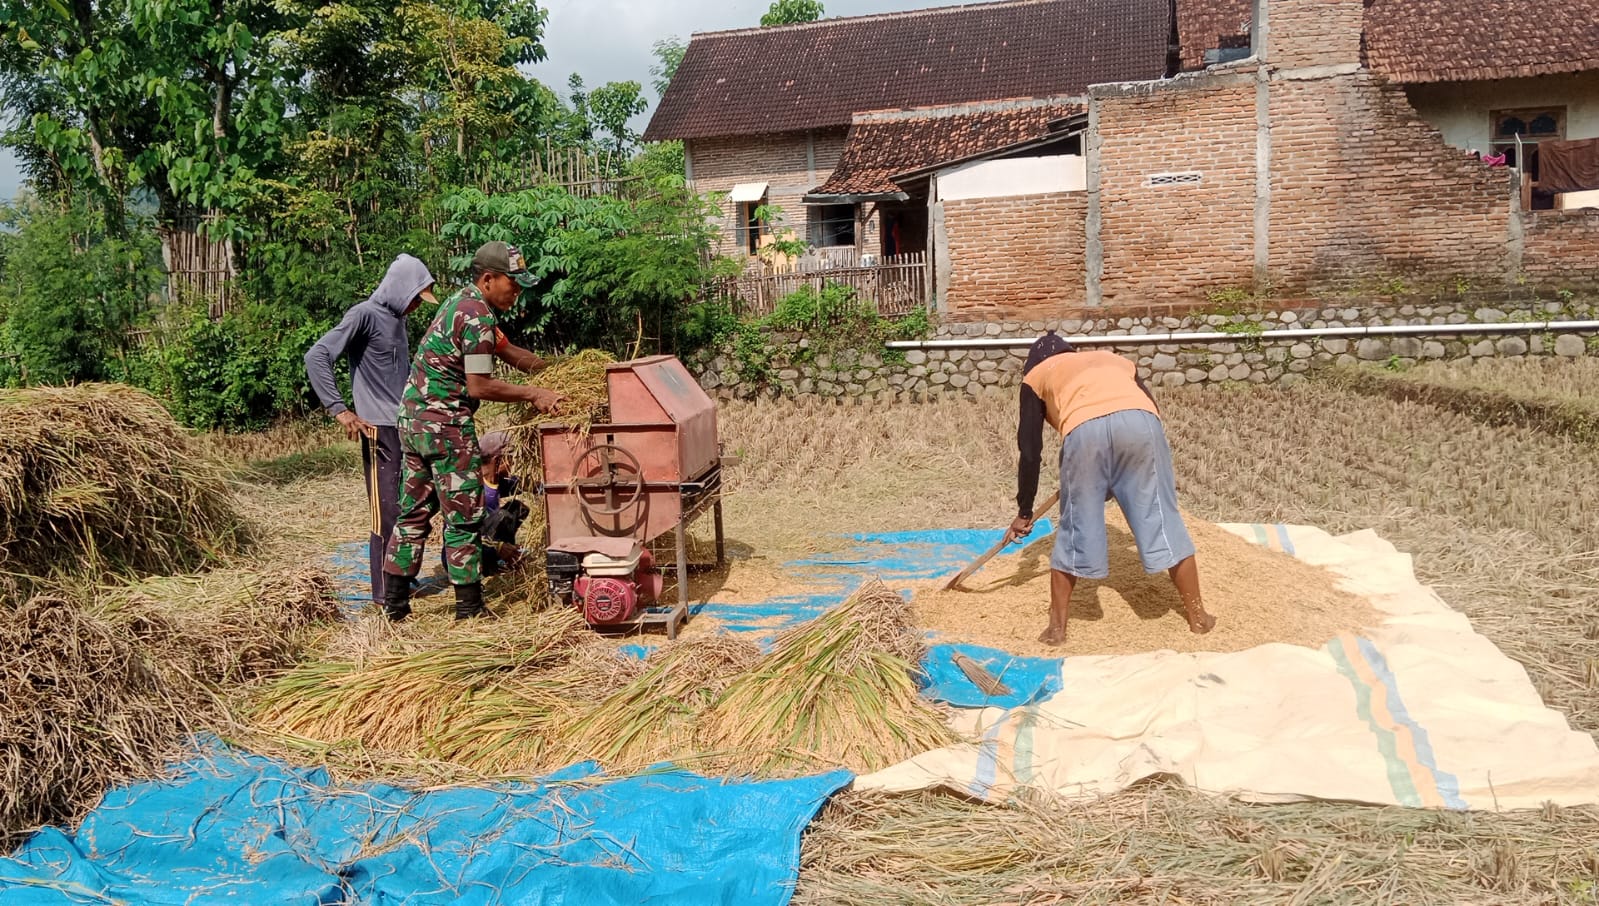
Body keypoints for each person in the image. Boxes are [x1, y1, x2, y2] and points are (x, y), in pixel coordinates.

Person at [380, 241, 563, 622]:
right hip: (445, 426)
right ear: (488, 279)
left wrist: (555, 372)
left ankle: (394, 608)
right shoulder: (477, 318)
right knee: (463, 516)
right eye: (512, 284)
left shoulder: (460, 305)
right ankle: (470, 609)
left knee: (413, 514)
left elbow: (510, 352)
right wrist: (534, 394)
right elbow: (479, 385)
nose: (517, 291)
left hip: (413, 424)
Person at [1003, 332, 1216, 646]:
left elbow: (1030, 448)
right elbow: (1149, 408)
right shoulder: (1113, 359)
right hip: (1143, 426)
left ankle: (1056, 629)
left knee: (1075, 528)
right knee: (1162, 521)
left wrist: (1024, 510)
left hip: (1084, 434)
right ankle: (1198, 616)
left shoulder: (1036, 375)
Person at [303, 254, 437, 607]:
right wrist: (340, 410)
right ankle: (383, 595)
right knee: (387, 511)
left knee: (411, 507)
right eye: (414, 298)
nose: (414, 307)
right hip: (378, 429)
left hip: (405, 426)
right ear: (400, 290)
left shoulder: (397, 321)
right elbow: (316, 356)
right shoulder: (363, 314)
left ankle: (402, 582)